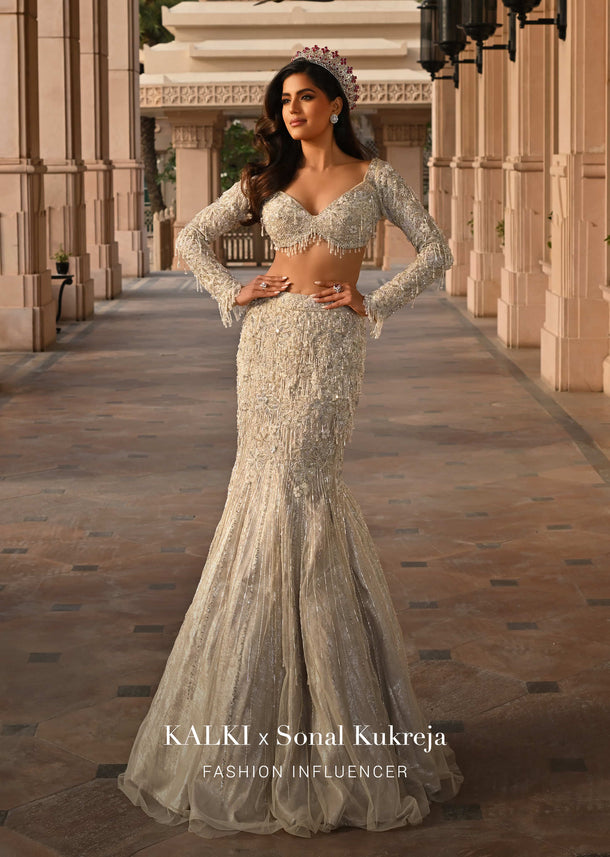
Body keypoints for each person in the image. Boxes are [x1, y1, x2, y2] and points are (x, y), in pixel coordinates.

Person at [117, 46, 463, 839]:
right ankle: (258, 707)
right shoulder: (263, 181)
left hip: (332, 348)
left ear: (338, 104)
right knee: (261, 493)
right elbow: (192, 240)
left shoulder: (375, 180)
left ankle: (333, 712)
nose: (292, 110)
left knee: (305, 496)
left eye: (306, 97)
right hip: (267, 348)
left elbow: (437, 251)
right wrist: (235, 292)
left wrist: (372, 300)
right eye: (286, 100)